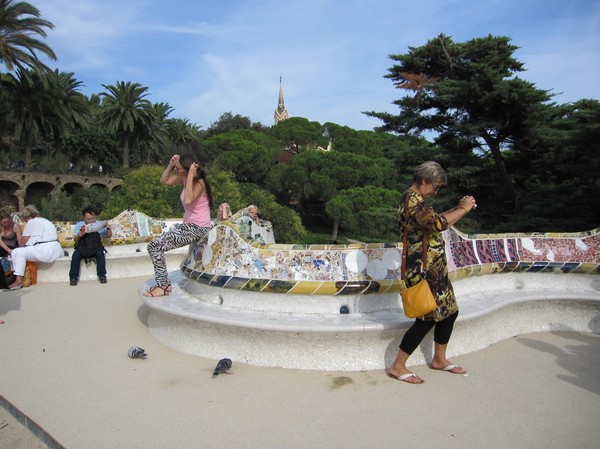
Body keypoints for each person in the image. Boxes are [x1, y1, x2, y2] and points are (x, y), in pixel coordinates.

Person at [387, 161, 477, 384]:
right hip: (423, 270)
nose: (435, 192)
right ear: (424, 180)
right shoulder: (411, 199)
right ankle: (398, 366)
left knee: (449, 312)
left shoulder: (418, 202)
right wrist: (464, 208)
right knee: (427, 318)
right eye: (435, 187)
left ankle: (439, 359)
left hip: (434, 268)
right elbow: (438, 224)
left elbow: (434, 220)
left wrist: (457, 208)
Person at [144, 154, 213, 297]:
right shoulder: (184, 178)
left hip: (198, 228)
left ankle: (163, 286)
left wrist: (191, 175)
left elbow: (188, 199)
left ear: (189, 169)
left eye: (179, 169)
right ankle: (163, 285)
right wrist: (170, 165)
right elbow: (164, 180)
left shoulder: (200, 183)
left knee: (155, 246)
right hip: (189, 226)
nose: (177, 171)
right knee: (155, 246)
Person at [5, 205, 63, 290]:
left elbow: (23, 240)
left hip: (45, 250)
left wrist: (20, 246)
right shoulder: (46, 221)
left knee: (17, 252)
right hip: (56, 249)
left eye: (24, 219)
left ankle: (18, 281)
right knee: (21, 252)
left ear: (27, 217)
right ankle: (17, 279)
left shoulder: (32, 222)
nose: (24, 221)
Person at [69, 207, 112, 286]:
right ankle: (73, 278)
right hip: (83, 247)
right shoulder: (80, 225)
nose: (91, 221)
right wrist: (79, 234)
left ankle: (102, 276)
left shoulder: (99, 224)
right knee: (75, 255)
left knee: (100, 254)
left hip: (95, 247)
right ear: (84, 218)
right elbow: (75, 240)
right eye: (88, 219)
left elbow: (108, 236)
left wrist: (108, 228)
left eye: (93, 218)